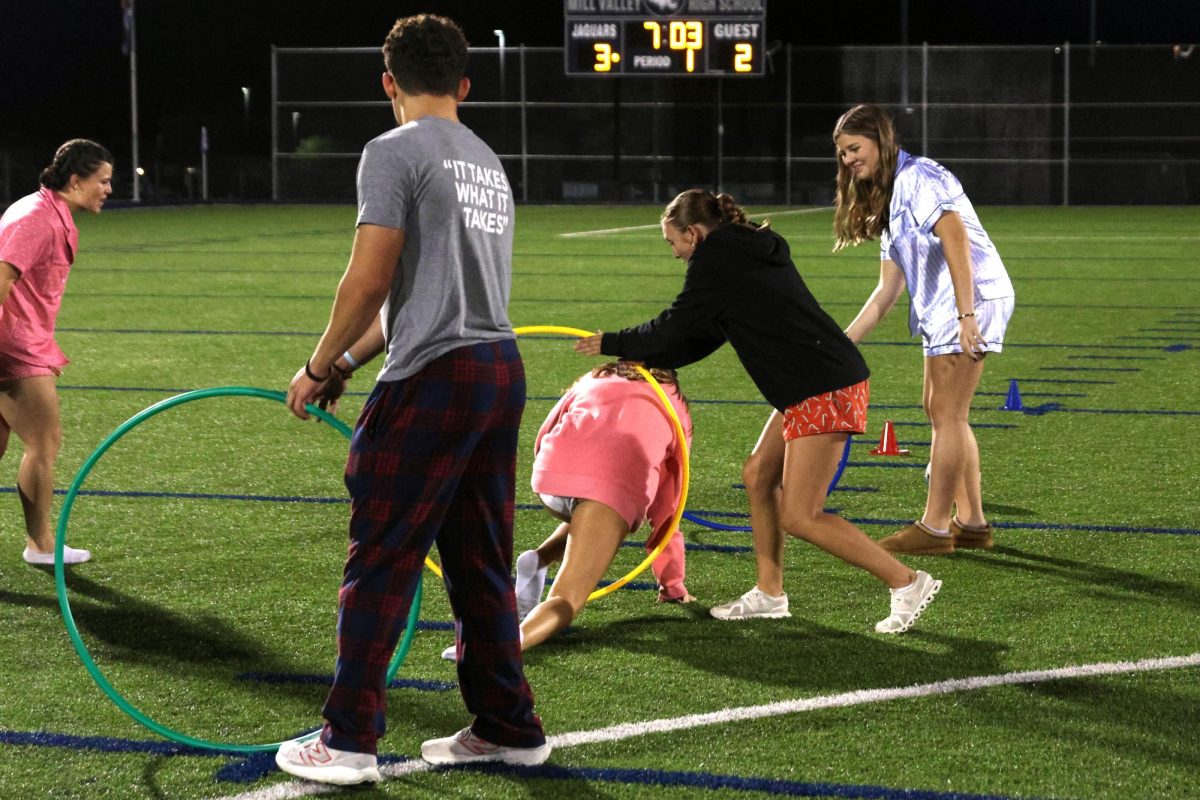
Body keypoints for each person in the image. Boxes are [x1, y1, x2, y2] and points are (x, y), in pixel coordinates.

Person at [276, 15, 548, 786]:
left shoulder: (391, 151)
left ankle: (350, 737)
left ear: (387, 81)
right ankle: (506, 725)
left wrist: (317, 362)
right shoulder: (487, 159)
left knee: (383, 556)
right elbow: (424, 288)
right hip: (498, 370)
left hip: (435, 376)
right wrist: (351, 362)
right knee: (479, 564)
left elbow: (371, 277)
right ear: (464, 83)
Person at [575, 189, 941, 635]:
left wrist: (614, 342)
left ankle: (906, 582)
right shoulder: (740, 250)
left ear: (693, 233)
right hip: (807, 383)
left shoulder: (716, 259)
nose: (674, 254)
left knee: (802, 515)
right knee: (757, 475)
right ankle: (770, 593)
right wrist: (649, 359)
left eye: (673, 243)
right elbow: (705, 332)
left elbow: (676, 323)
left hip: (821, 385)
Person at [833, 103, 1015, 555]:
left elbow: (955, 234)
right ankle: (971, 523)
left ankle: (934, 528)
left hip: (969, 302)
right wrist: (839, 344)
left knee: (948, 413)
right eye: (842, 153)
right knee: (940, 410)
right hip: (947, 309)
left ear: (880, 140)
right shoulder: (893, 196)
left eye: (855, 148)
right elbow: (885, 293)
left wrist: (967, 313)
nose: (848, 159)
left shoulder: (919, 177)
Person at [440, 360, 694, 661]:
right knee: (567, 597)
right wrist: (672, 584)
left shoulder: (597, 376)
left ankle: (538, 559)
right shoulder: (674, 405)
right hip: (609, 488)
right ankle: (496, 646)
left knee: (592, 519)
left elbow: (550, 425)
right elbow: (668, 508)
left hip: (551, 479)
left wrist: (550, 469)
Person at [1, 139, 112, 566]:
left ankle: (40, 544)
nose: (107, 189)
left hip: (23, 342)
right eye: (101, 181)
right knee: (44, 442)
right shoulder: (36, 217)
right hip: (12, 347)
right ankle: (41, 546)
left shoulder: (50, 212)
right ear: (75, 179)